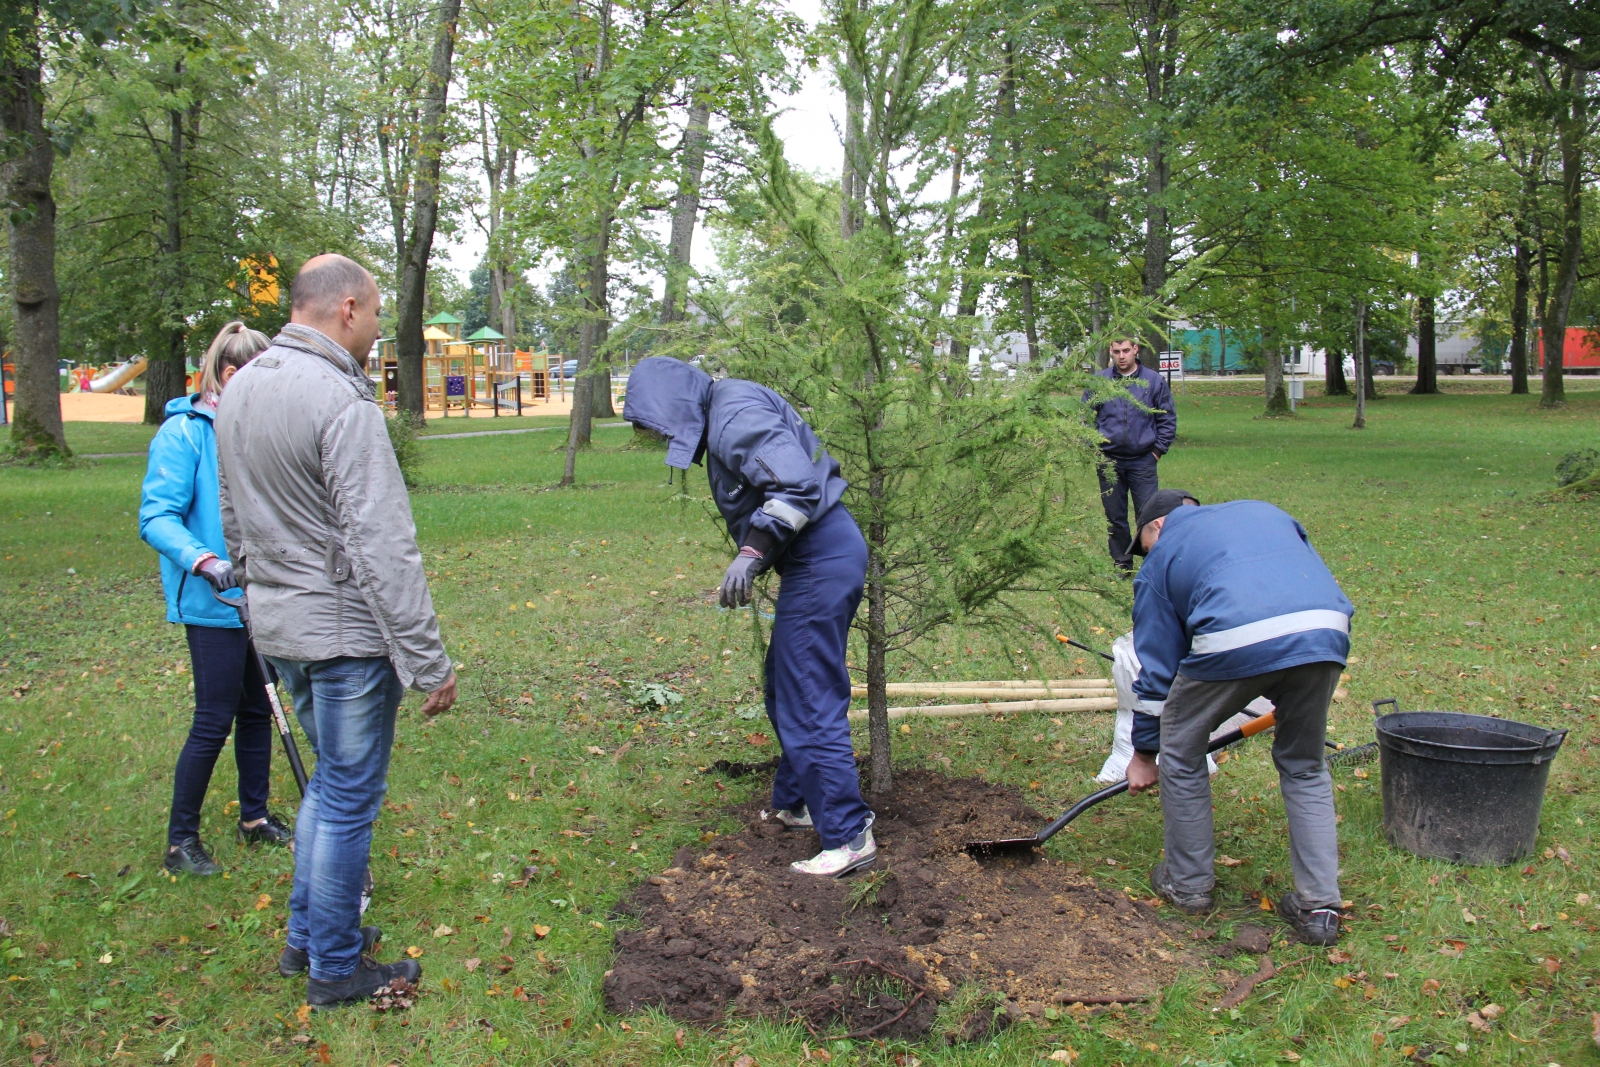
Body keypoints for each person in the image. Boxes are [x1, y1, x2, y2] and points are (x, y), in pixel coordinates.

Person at [215, 254, 457, 1007]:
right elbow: (382, 543)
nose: (380, 329)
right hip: (345, 635)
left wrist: (258, 597)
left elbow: (234, 519)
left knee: (328, 786)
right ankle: (335, 965)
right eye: (379, 314)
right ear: (347, 308)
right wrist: (428, 660)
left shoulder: (239, 388)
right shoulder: (342, 401)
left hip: (280, 627)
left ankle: (306, 939)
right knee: (349, 794)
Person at [623, 356, 876, 878]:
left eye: (653, 423)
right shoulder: (725, 407)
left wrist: (753, 551)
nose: (656, 435)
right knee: (786, 684)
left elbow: (797, 485)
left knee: (807, 692)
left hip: (821, 558)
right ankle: (798, 802)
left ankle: (849, 836)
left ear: (671, 402)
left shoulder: (733, 414)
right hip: (817, 558)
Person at [1123, 489, 1354, 946]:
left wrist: (1145, 753)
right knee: (1305, 764)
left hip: (1234, 636)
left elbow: (1157, 674)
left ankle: (1187, 886)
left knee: (1182, 750)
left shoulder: (1162, 556)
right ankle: (1320, 906)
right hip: (1325, 631)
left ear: (1159, 526)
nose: (1145, 557)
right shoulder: (1266, 511)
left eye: (1143, 546)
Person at [141, 322, 291, 877]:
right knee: (214, 716)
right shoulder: (183, 433)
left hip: (261, 593)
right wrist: (206, 562)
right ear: (229, 376)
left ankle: (254, 817)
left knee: (258, 708)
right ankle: (181, 839)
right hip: (213, 600)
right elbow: (157, 517)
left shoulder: (253, 425)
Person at [1088, 338, 1176, 573]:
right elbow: (1086, 419)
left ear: (1135, 350)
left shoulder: (1154, 381)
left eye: (1126, 350)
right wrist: (1095, 449)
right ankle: (1122, 563)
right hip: (1109, 461)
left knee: (1148, 515)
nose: (1122, 356)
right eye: (1117, 351)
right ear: (1111, 352)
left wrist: (1156, 452)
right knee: (1115, 516)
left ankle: (1151, 564)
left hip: (1143, 460)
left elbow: (1167, 419)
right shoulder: (1099, 382)